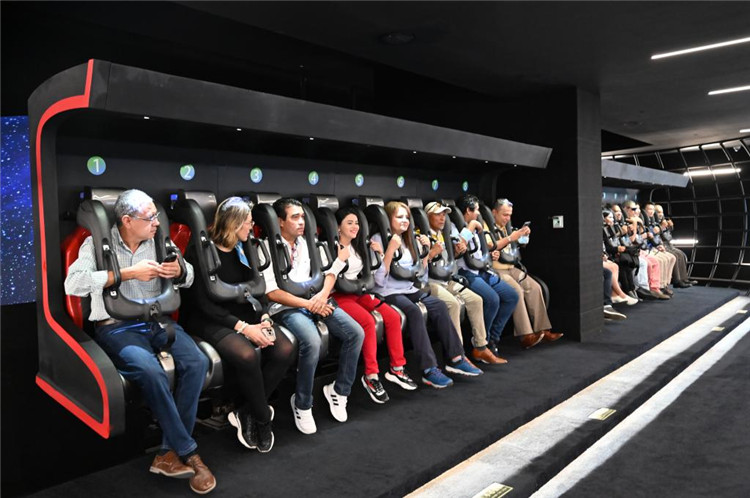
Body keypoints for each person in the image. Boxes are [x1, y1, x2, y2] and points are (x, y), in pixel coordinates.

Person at [65, 189, 215, 494]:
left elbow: (188, 277)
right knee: (151, 371)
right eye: (149, 218)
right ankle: (189, 453)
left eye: (156, 216)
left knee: (198, 362)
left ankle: (167, 453)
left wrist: (179, 271)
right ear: (127, 220)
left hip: (157, 322)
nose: (157, 223)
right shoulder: (97, 244)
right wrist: (126, 274)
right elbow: (73, 283)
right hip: (117, 326)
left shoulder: (160, 242)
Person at [181, 197, 295, 453]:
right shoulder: (201, 251)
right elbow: (202, 303)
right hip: (210, 317)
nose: (251, 227)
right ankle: (263, 419)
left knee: (285, 348)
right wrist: (244, 328)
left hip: (246, 312)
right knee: (246, 355)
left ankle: (246, 411)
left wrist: (264, 317)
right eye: (248, 222)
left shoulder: (246, 247)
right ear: (233, 223)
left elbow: (258, 288)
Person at [263, 198, 364, 434]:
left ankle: (340, 391)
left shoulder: (309, 243)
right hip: (287, 307)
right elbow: (271, 292)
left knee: (355, 333)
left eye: (302, 217)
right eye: (294, 217)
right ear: (280, 221)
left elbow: (330, 272)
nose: (301, 222)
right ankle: (302, 403)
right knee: (312, 341)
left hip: (317, 300)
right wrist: (309, 304)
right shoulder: (266, 247)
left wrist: (321, 297)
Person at [371, 201, 483, 389]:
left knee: (439, 305)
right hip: (388, 291)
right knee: (414, 312)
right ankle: (429, 369)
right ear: (388, 219)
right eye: (399, 217)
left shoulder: (409, 240)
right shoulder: (377, 239)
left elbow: (420, 275)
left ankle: (456, 358)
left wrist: (425, 254)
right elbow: (378, 281)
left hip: (409, 288)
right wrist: (389, 250)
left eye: (406, 217)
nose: (404, 220)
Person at [330, 207, 417, 404]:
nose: (355, 227)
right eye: (349, 223)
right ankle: (371, 376)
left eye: (356, 223)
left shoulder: (359, 247)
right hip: (340, 295)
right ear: (338, 227)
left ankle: (397, 368)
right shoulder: (331, 248)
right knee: (368, 322)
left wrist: (380, 254)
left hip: (358, 292)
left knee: (393, 316)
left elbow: (376, 278)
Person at [423, 201, 505, 365]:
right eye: (438, 214)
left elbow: (448, 259)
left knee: (476, 300)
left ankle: (480, 347)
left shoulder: (443, 234)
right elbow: (418, 268)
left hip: (447, 280)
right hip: (430, 282)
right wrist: (431, 253)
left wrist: (457, 251)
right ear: (428, 216)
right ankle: (458, 355)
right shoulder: (422, 236)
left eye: (444, 214)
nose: (442, 218)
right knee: (453, 304)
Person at [490, 198, 564, 345]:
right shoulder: (488, 227)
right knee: (517, 291)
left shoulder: (507, 228)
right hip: (497, 269)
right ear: (494, 212)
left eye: (510, 215)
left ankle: (542, 330)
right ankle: (525, 335)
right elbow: (491, 246)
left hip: (512, 267)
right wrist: (511, 238)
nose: (507, 218)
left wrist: (523, 237)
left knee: (535, 287)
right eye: (505, 214)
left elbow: (518, 246)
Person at [453, 195, 522, 351]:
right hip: (465, 272)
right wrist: (471, 226)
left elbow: (480, 250)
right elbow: (459, 248)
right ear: (467, 210)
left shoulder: (477, 226)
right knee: (492, 299)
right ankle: (480, 344)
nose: (478, 213)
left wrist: (491, 255)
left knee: (511, 296)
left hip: (482, 270)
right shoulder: (454, 227)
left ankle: (492, 338)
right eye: (476, 210)